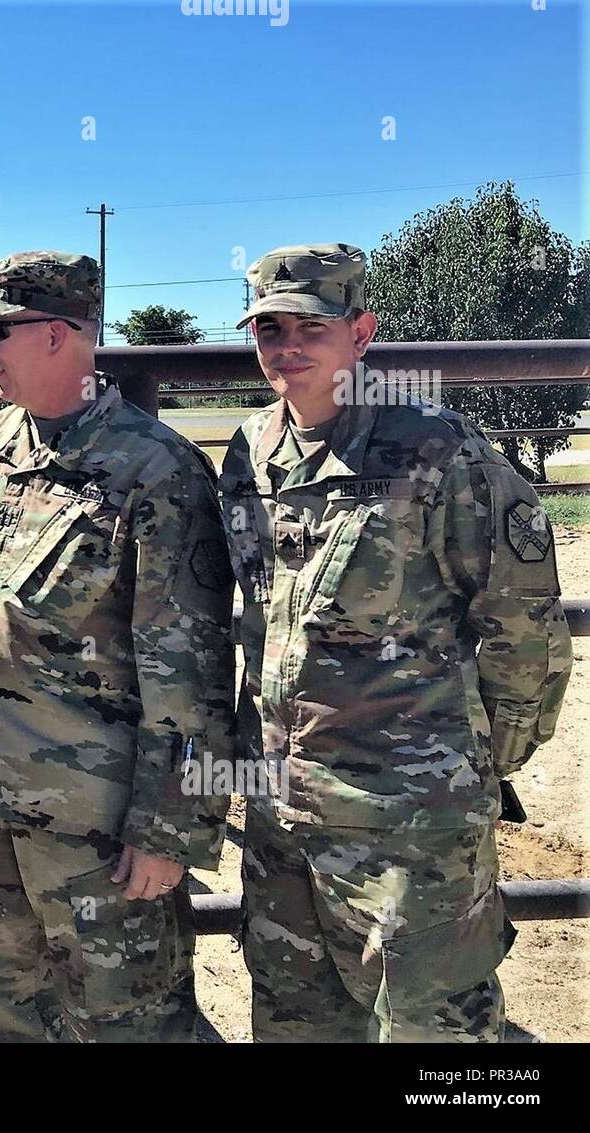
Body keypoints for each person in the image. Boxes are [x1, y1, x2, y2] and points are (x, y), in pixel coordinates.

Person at [221, 242, 573, 1042]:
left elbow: (524, 630)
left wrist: (471, 766)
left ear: (361, 331)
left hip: (411, 832)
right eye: (269, 327)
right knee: (297, 1024)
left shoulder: (437, 448)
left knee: (432, 1036)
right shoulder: (252, 453)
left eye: (310, 325)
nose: (287, 345)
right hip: (283, 820)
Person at [0, 251, 235, 1042]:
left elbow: (194, 670)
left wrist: (168, 831)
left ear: (55, 336)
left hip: (99, 835)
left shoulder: (156, 470)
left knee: (128, 1023)